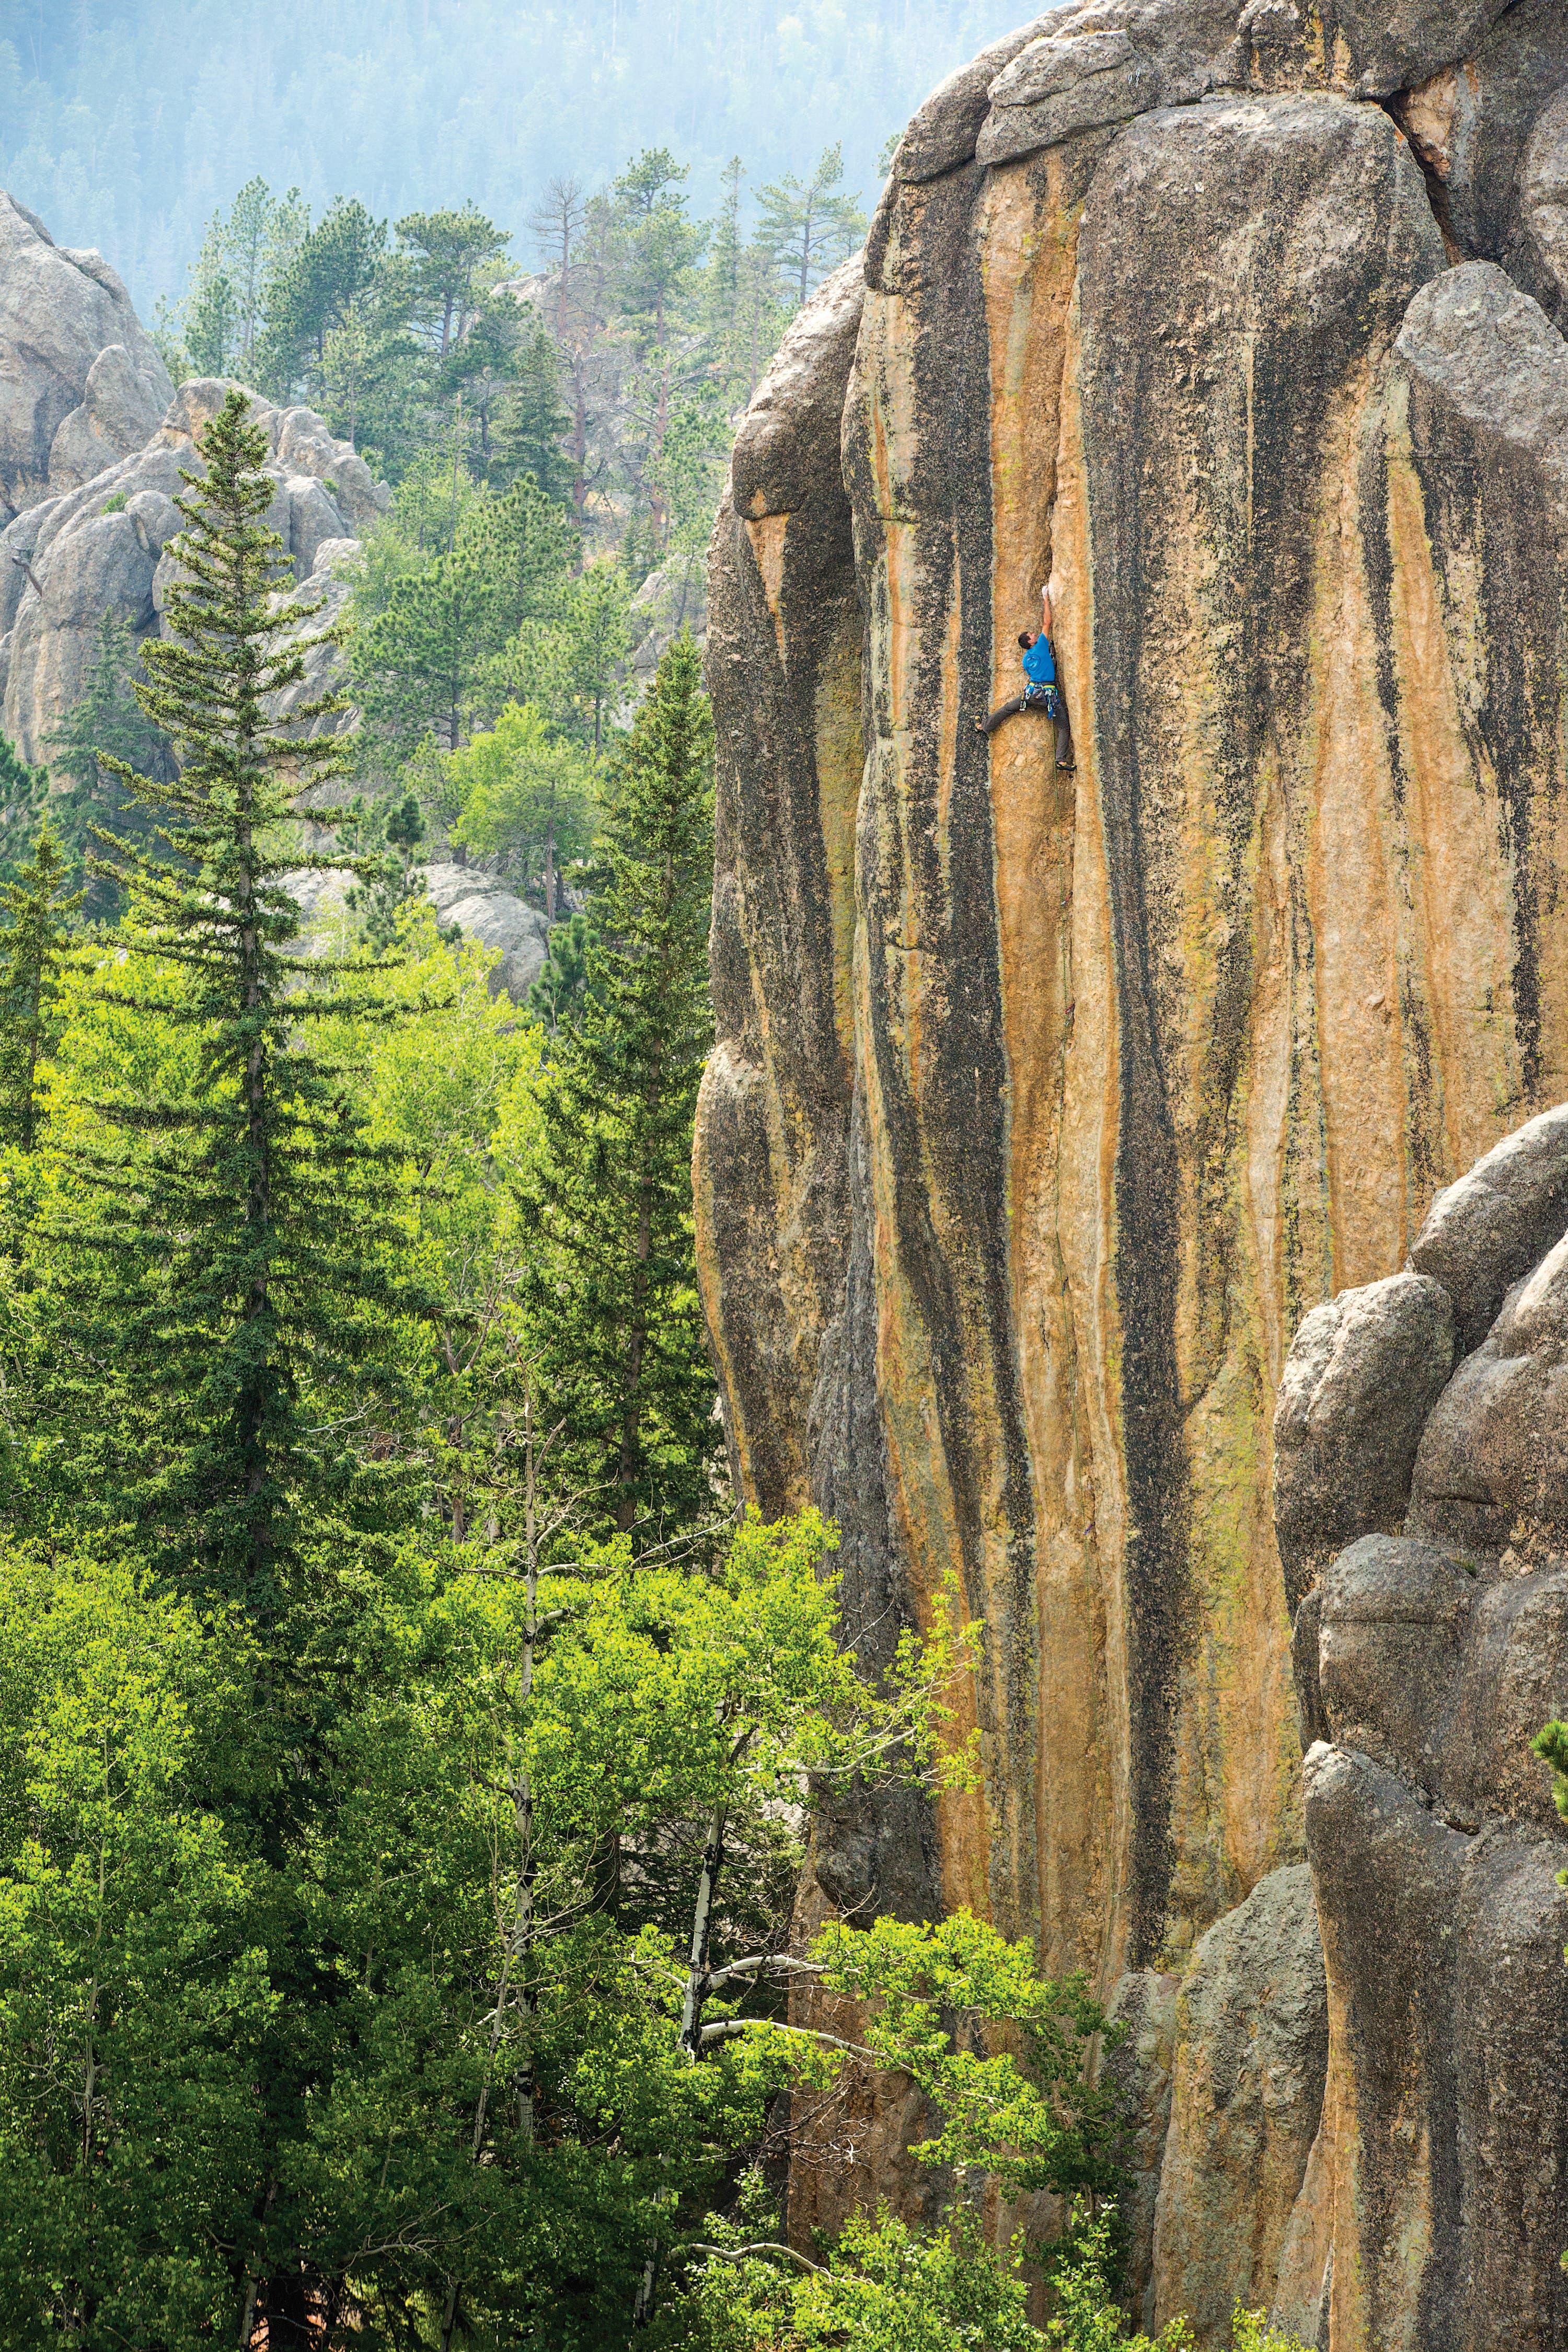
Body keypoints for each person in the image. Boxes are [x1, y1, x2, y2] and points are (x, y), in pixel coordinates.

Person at [977, 583, 1075, 769]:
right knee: (1063, 726)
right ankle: (1060, 760)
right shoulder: (1040, 646)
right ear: (1031, 642)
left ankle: (986, 726)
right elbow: (1048, 622)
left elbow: (1035, 673)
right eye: (1032, 635)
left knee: (1008, 708)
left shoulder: (1026, 659)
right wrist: (1046, 599)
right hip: (1047, 695)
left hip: (1031, 694)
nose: (1035, 634)